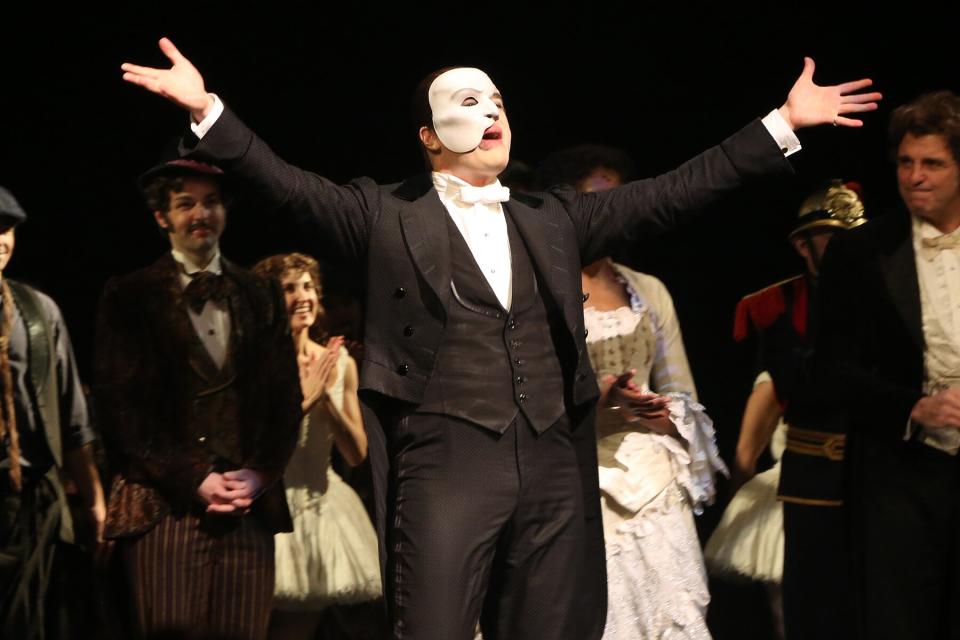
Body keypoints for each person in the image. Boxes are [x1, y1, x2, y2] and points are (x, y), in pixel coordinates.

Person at [121, 37, 880, 639]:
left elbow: (678, 191)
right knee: (436, 625)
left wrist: (781, 125)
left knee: (549, 626)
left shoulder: (554, 217)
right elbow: (281, 180)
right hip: (446, 456)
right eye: (467, 102)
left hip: (552, 455)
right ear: (428, 134)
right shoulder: (385, 213)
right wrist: (207, 111)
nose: (491, 114)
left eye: (498, 101)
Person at [93, 159, 303, 640]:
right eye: (185, 203)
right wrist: (195, 478)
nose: (201, 213)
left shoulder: (260, 293)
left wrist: (259, 473)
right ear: (161, 216)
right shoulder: (130, 295)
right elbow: (121, 411)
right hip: (165, 506)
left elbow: (285, 402)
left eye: (210, 202)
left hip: (248, 508)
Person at [539, 144, 726, 638]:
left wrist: (663, 415)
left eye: (617, 201)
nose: (610, 215)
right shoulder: (542, 294)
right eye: (595, 202)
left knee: (669, 615)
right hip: (578, 477)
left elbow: (682, 389)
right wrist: (596, 397)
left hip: (654, 480)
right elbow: (529, 395)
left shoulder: (649, 290)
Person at [816, 90, 960, 639]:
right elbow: (830, 370)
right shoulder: (862, 252)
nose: (915, 176)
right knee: (897, 620)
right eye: (906, 162)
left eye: (933, 163)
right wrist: (915, 407)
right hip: (900, 473)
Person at [705, 180, 867, 639]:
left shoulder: (885, 292)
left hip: (873, 472)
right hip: (808, 472)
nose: (848, 250)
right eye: (834, 238)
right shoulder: (781, 306)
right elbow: (771, 391)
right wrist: (742, 466)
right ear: (803, 245)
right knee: (800, 608)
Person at [251, 253, 381, 639]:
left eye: (307, 286)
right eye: (289, 288)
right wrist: (306, 396)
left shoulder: (338, 362)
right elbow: (259, 444)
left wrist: (326, 397)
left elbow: (356, 453)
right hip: (267, 510)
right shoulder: (257, 362)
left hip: (319, 511)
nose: (302, 295)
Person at [0, 186, 106, 640]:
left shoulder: (38, 313)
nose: (0, 239)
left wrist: (96, 501)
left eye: (7, 228)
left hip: (31, 501)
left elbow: (72, 417)